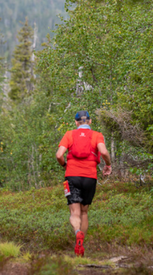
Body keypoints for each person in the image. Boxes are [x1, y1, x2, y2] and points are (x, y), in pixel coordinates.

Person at [55, 110, 112, 257]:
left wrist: (64, 165)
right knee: (84, 212)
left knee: (75, 212)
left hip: (71, 176)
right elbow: (104, 152)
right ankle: (81, 245)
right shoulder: (97, 135)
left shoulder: (69, 134)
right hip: (90, 177)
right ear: (90, 122)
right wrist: (108, 164)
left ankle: (77, 232)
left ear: (76, 123)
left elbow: (59, 155)